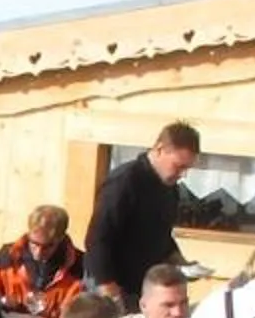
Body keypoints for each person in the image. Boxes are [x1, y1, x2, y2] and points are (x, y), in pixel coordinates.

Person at [83, 123, 199, 299]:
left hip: (146, 287)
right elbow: (97, 238)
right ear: (160, 149)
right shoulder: (125, 181)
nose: (183, 175)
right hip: (112, 285)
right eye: (178, 166)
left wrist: (181, 262)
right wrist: (108, 287)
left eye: (187, 168)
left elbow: (160, 235)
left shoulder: (169, 188)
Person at [0, 204, 86, 318]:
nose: (38, 253)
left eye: (47, 247)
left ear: (61, 238)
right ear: (29, 233)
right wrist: (1, 300)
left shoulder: (80, 265)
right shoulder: (6, 256)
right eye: (34, 244)